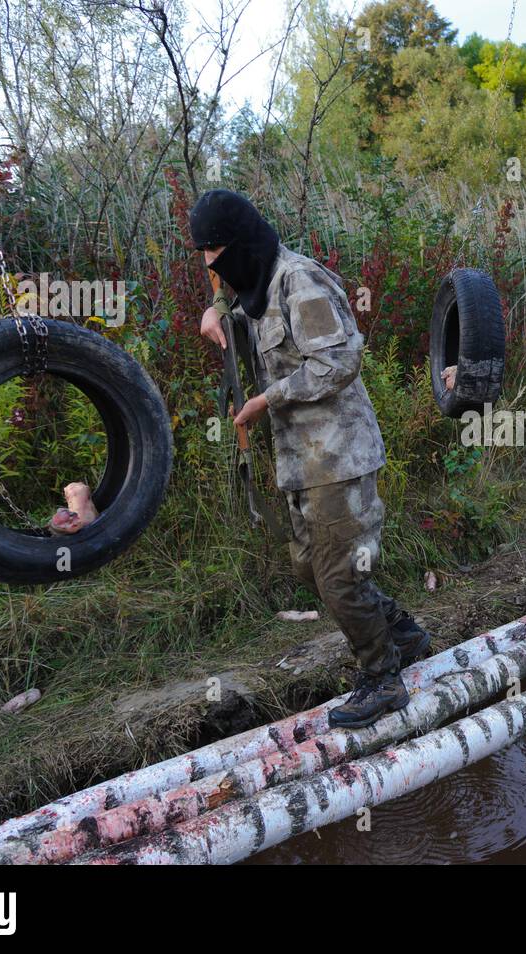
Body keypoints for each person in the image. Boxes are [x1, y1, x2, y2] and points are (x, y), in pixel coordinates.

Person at [191, 189, 432, 729]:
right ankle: (402, 632)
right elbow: (240, 305)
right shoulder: (255, 283)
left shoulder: (299, 280)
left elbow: (340, 360)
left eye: (219, 262)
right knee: (310, 568)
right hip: (302, 459)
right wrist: (215, 309)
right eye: (209, 267)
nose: (217, 273)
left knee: (338, 577)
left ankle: (382, 678)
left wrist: (266, 400)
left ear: (243, 245)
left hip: (339, 457)